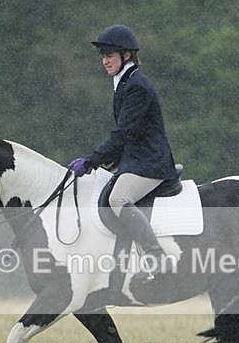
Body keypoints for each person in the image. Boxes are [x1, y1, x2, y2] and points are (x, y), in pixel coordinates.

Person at [69, 24, 179, 280]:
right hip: (135, 159)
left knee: (117, 199)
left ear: (126, 55)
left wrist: (92, 160)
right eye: (103, 56)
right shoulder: (124, 82)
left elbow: (124, 133)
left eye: (110, 55)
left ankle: (157, 258)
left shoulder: (136, 86)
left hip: (150, 162)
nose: (105, 61)